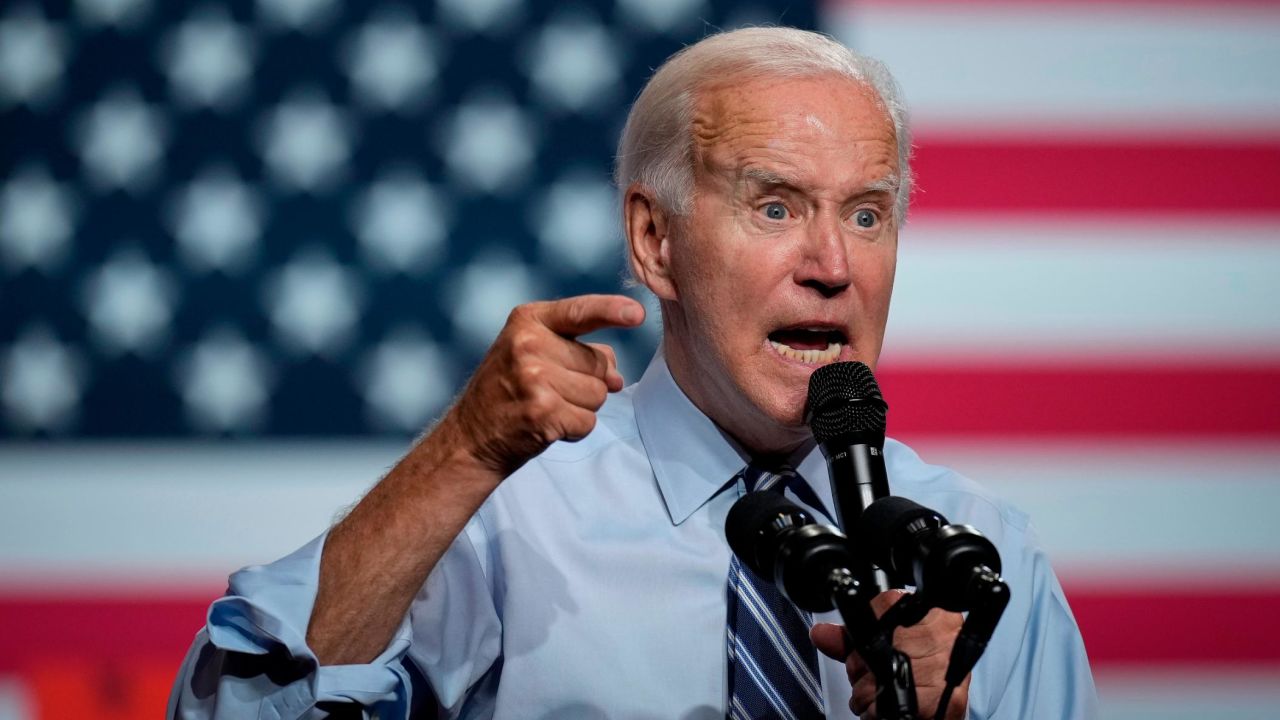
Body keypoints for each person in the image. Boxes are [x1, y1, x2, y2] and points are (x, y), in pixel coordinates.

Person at [169, 27, 1097, 719]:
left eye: (866, 215)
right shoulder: (507, 524)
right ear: (655, 242)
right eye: (776, 207)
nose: (832, 264)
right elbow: (229, 711)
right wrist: (462, 450)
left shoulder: (983, 558)